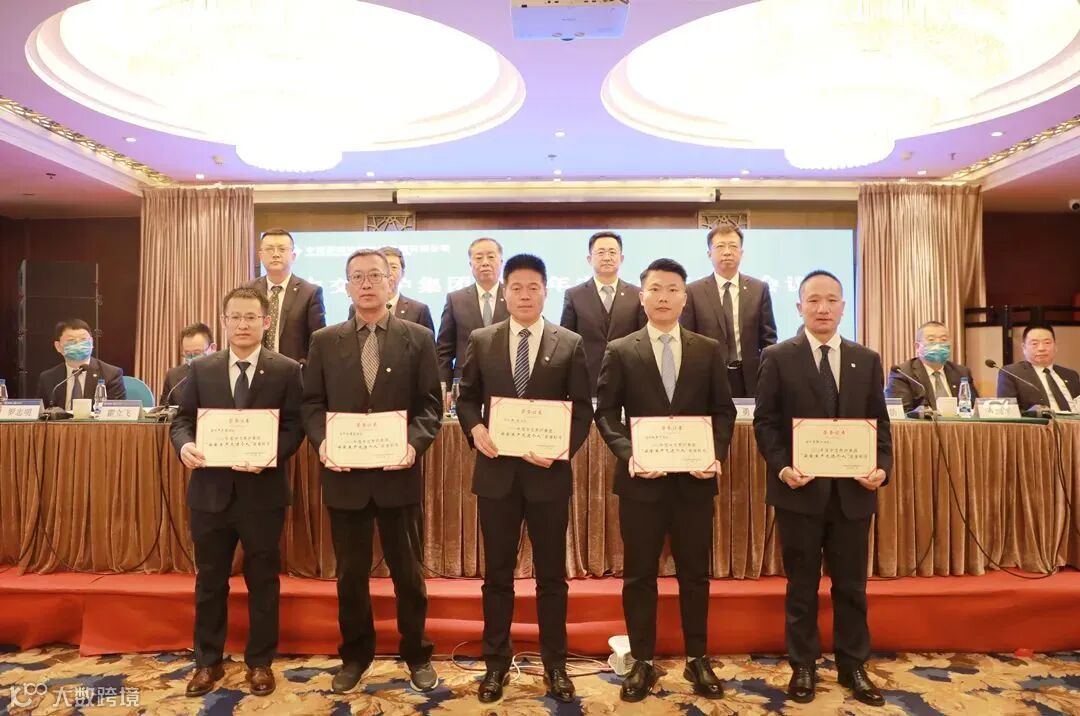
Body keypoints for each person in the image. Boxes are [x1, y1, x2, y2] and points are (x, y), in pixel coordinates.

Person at [302, 249, 443, 694]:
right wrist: (323, 443)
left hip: (397, 474)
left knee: (408, 574)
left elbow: (430, 406)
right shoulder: (324, 340)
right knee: (350, 576)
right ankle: (355, 656)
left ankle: (417, 653)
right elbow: (312, 404)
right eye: (357, 277)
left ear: (391, 283)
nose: (366, 284)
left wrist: (413, 445)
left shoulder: (418, 337)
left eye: (375, 276)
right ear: (346, 286)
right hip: (345, 476)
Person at [595, 258, 735, 703]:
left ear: (684, 297)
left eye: (672, 289)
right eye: (655, 289)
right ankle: (642, 660)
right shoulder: (621, 349)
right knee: (639, 575)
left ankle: (697, 658)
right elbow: (606, 413)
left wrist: (713, 454)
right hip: (642, 483)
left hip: (694, 482)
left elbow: (724, 412)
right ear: (641, 297)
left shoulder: (707, 349)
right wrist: (630, 454)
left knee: (695, 574)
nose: (663, 297)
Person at [456, 254, 593, 705]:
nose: (525, 295)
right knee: (497, 576)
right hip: (496, 476)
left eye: (533, 287)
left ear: (546, 292)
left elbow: (582, 410)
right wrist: (475, 428)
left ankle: (556, 665)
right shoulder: (483, 339)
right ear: (505, 292)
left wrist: (560, 449)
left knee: (552, 577)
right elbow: (467, 398)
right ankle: (495, 664)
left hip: (547, 476)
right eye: (516, 287)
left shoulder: (569, 343)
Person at [753, 269, 891, 707]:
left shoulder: (866, 359)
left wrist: (881, 468)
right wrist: (782, 468)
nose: (823, 308)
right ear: (799, 307)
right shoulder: (778, 356)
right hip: (799, 492)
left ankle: (854, 666)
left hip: (853, 493)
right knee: (801, 586)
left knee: (851, 587)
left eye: (831, 300)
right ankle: (803, 665)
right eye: (813, 300)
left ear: (843, 307)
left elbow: (880, 425)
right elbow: (765, 423)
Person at [170, 286, 304, 698]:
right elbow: (182, 421)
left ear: (266, 322)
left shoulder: (286, 370)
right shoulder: (202, 368)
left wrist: (270, 455)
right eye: (235, 317)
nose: (243, 324)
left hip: (263, 493)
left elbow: (295, 426)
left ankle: (260, 662)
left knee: (263, 581)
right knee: (210, 581)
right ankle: (207, 661)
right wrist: (184, 446)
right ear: (224, 321)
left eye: (251, 317)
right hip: (210, 494)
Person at [681, 224, 777, 397]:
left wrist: (768, 376)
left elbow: (768, 340)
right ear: (709, 254)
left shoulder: (759, 289)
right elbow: (688, 341)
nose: (727, 252)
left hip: (750, 378)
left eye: (733, 246)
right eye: (720, 246)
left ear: (741, 252)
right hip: (708, 378)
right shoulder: (693, 291)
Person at [559, 230, 646, 395]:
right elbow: (566, 341)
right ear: (589, 259)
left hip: (628, 378)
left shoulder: (637, 294)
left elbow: (642, 340)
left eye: (612, 252)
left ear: (621, 258)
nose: (607, 257)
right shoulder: (574, 295)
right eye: (601, 252)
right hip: (586, 379)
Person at [436, 237, 509, 404]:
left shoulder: (514, 296)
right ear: (470, 264)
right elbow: (444, 351)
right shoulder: (455, 299)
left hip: (506, 384)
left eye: (491, 257)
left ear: (501, 262)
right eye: (479, 258)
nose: (485, 262)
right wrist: (446, 389)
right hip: (465, 385)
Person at [244, 228, 326, 363]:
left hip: (294, 370)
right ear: (260, 255)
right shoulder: (248, 290)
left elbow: (318, 342)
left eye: (282, 249)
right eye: (269, 249)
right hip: (254, 369)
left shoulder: (310, 293)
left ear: (293, 256)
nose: (276, 254)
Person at [885, 320, 977, 413]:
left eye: (943, 340)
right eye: (931, 340)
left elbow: (974, 408)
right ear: (917, 346)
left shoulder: (961, 372)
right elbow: (901, 413)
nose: (938, 344)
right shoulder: (903, 373)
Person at [37, 318, 125, 408]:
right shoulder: (48, 378)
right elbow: (42, 412)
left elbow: (114, 413)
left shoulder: (111, 374)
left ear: (91, 343)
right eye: (71, 340)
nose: (78, 344)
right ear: (58, 346)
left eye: (83, 339)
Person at [346, 245, 435, 334]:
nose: (389, 272)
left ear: (403, 273)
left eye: (394, 267)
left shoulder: (419, 310)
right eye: (384, 268)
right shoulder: (356, 307)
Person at [998, 323, 1079, 413]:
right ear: (1024, 347)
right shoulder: (1011, 373)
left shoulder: (1071, 375)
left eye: (1047, 343)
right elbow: (1008, 411)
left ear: (1055, 346)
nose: (1041, 348)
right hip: (1044, 421)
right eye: (1034, 344)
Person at [159, 322, 216, 406]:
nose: (192, 358)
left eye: (197, 353)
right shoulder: (172, 377)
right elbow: (164, 409)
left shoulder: (225, 373)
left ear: (212, 348)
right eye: (188, 354)